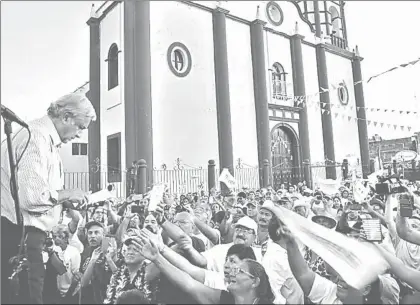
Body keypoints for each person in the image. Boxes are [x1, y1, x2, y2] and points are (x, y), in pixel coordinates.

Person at [1, 93, 95, 304]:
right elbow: (32, 198)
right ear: (65, 117)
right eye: (80, 126)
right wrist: (68, 193)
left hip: (24, 235)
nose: (80, 134)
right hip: (20, 235)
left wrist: (62, 200)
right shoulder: (37, 137)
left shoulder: (42, 138)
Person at [137, 233, 275, 304]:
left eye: (238, 270)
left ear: (255, 282)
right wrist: (157, 258)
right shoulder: (225, 299)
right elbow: (188, 283)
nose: (231, 272)